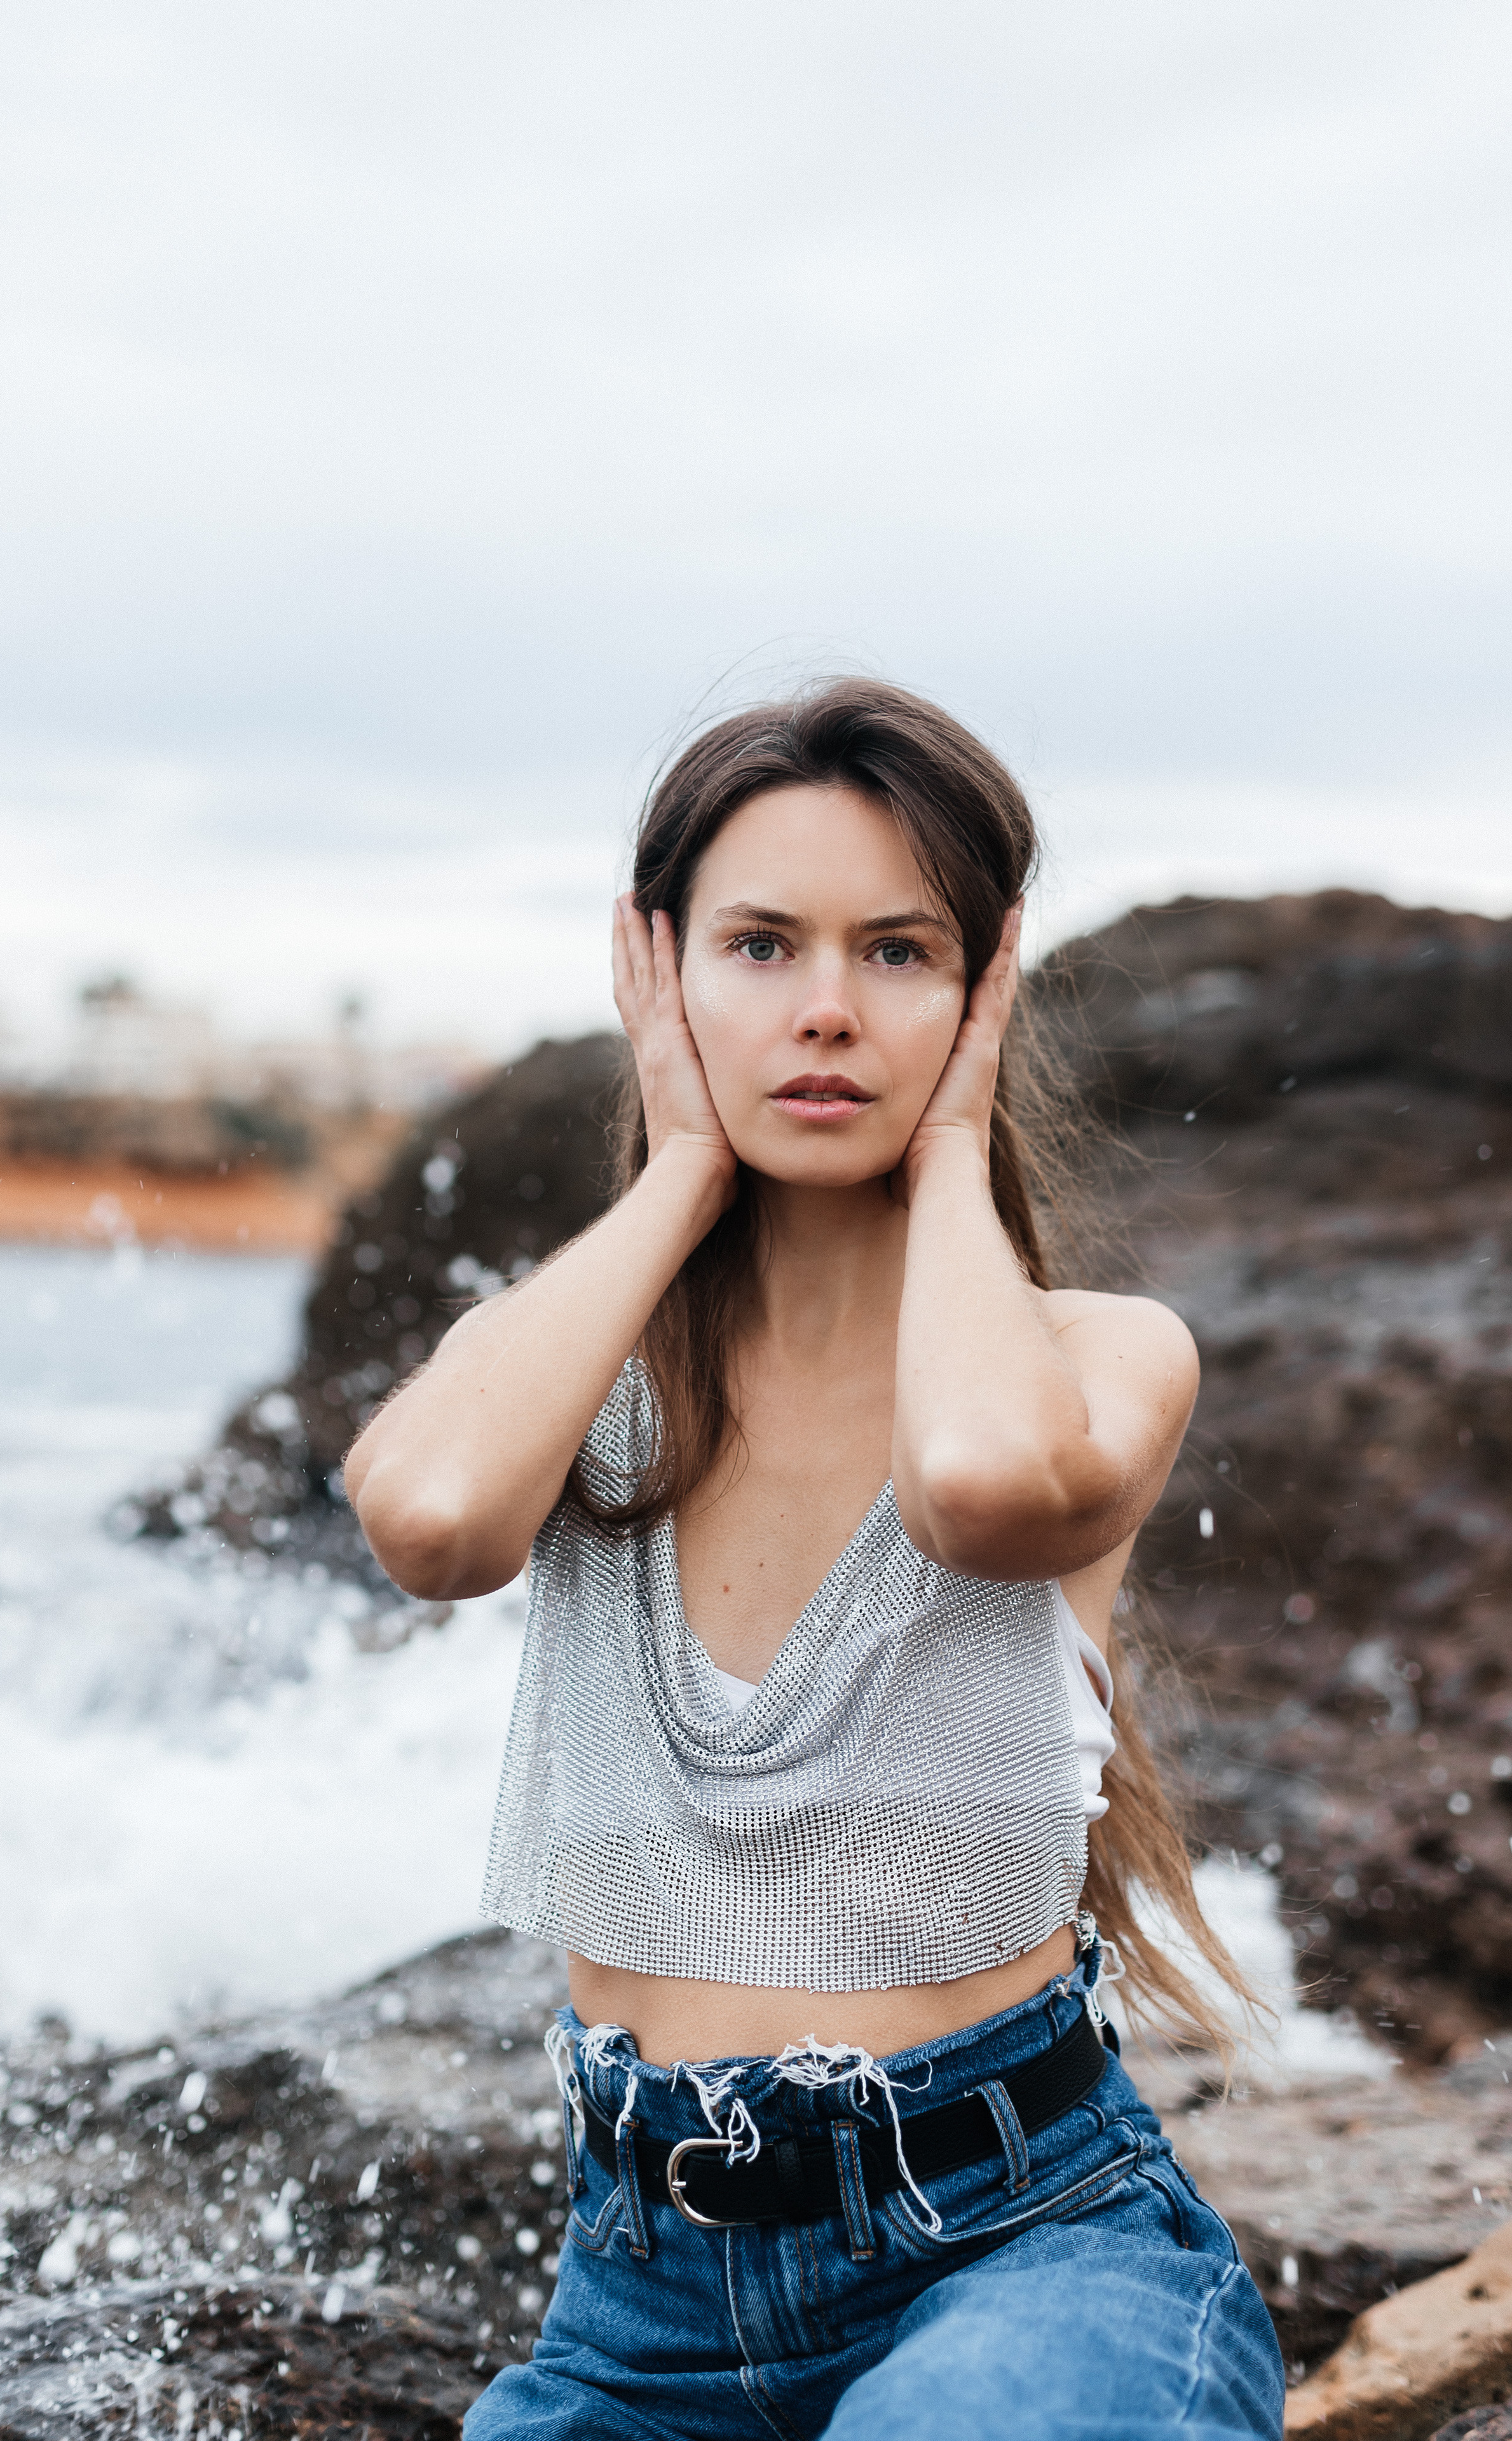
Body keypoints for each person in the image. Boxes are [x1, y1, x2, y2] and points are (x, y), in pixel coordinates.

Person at [346, 680, 1286, 2439]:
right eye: (762, 946)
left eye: (902, 955)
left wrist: (947, 1149)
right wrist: (683, 1163)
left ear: (985, 989)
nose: (830, 1012)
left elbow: (980, 1480)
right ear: (659, 971)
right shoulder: (576, 1379)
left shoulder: (1101, 1357)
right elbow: (431, 1520)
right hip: (639, 2307)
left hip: (1029, 2250)